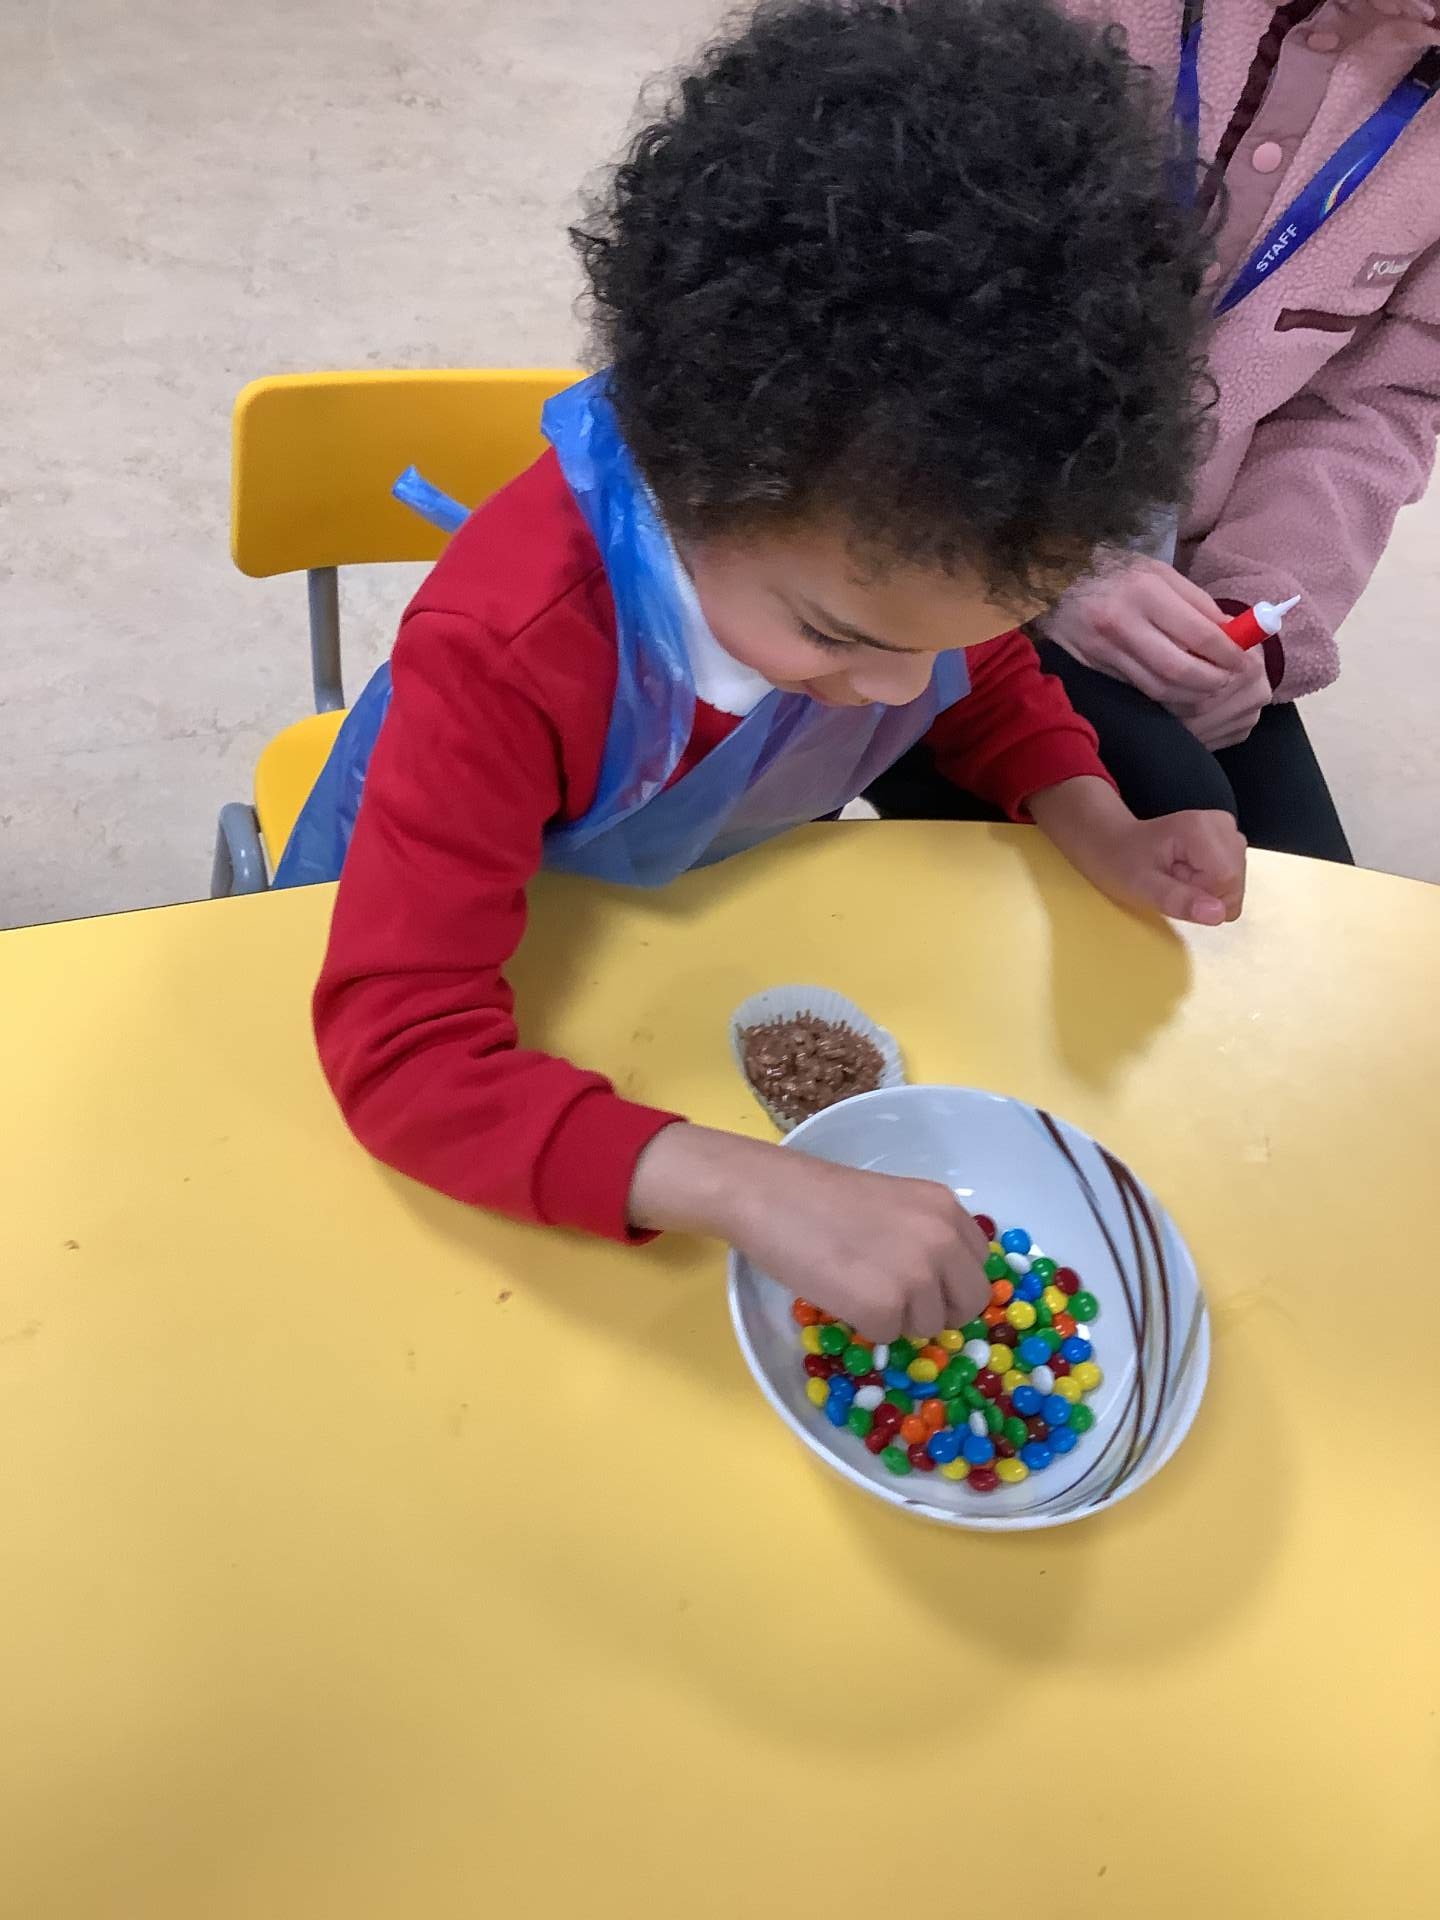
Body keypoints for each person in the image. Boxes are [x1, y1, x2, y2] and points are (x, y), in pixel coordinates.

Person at [302, 0, 1245, 1341]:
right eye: (843, 640)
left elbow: (986, 683)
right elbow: (402, 1050)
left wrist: (1095, 819)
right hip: (442, 934)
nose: (901, 691)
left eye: (950, 635)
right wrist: (746, 1185)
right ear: (695, 483)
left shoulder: (908, 565)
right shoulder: (508, 647)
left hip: (670, 944)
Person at [875, 0, 1440, 861]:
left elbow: (1372, 404)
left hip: (1171, 575)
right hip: (911, 510)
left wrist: (1250, 626)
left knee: (1284, 878)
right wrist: (1037, 561)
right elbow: (845, 285)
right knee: (1165, 800)